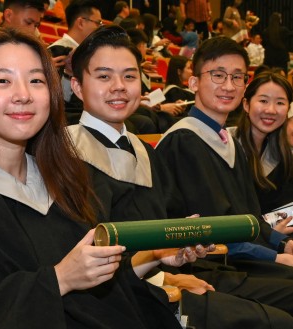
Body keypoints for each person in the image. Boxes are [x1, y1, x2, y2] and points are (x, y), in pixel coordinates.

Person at [0, 26, 208, 329]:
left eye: (36, 80)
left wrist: (156, 255)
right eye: (3, 80)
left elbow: (104, 287)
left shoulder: (64, 179)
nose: (23, 95)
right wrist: (59, 279)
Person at [67, 24, 293, 329]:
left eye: (130, 76)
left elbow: (165, 233)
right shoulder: (65, 154)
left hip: (160, 278)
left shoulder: (143, 152)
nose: (119, 86)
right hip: (114, 302)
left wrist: (169, 262)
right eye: (104, 76)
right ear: (77, 86)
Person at [156, 36, 293, 271]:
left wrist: (283, 244)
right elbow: (216, 232)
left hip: (239, 258)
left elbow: (250, 218)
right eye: (218, 75)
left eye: (237, 77)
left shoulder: (227, 142)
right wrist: (276, 257)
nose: (229, 86)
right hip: (204, 268)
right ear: (193, 83)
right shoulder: (185, 141)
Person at [229, 72, 293, 215]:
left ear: (288, 109)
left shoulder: (282, 153)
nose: (271, 110)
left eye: (280, 103)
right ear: (246, 104)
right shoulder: (226, 145)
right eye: (263, 101)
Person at [48, 0, 103, 125]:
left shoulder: (88, 52)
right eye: (98, 23)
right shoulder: (57, 51)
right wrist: (68, 73)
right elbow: (59, 100)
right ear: (81, 22)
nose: (100, 27)